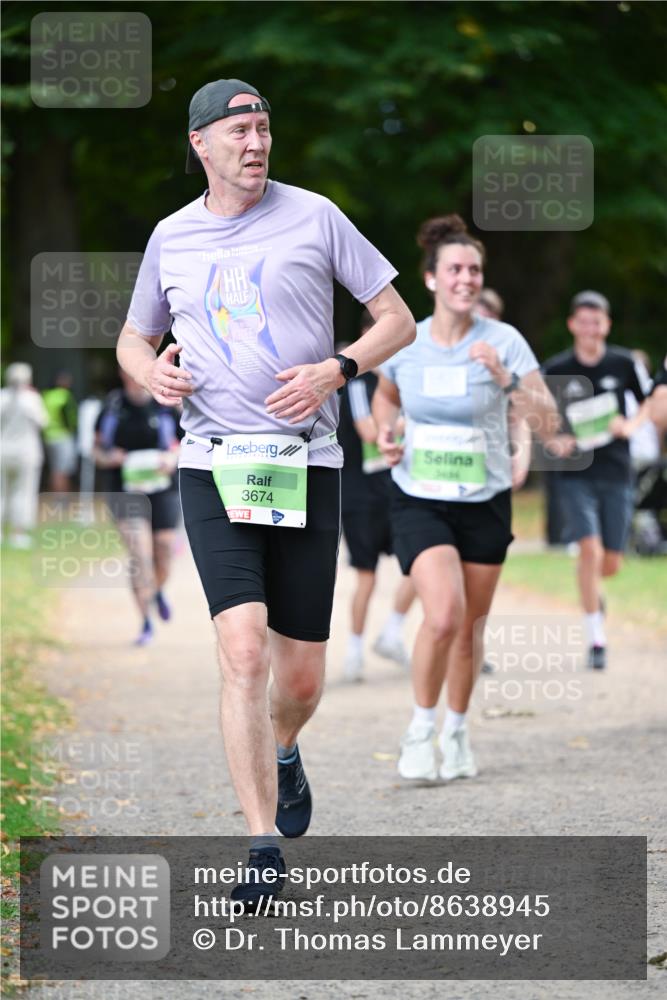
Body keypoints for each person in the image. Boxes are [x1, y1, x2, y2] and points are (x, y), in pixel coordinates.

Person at [116, 79, 415, 904]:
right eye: (240, 130)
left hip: (305, 464)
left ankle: (284, 751)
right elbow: (133, 336)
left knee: (301, 680)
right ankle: (258, 845)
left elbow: (397, 319)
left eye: (265, 128)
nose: (256, 143)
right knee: (241, 650)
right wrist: (152, 374)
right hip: (213, 460)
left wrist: (338, 366)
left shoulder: (315, 215)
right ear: (200, 145)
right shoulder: (170, 238)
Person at [373, 214, 559, 782]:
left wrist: (504, 376)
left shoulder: (504, 342)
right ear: (431, 279)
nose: (466, 278)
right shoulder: (407, 342)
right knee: (444, 613)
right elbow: (386, 397)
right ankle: (420, 728)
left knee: (471, 626)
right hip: (419, 497)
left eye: (474, 269)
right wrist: (386, 433)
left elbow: (548, 422)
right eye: (454, 268)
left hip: (485, 499)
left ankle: (456, 730)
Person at [542, 291, 652, 670]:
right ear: (573, 324)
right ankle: (596, 638)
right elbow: (537, 415)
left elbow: (652, 401)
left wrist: (632, 424)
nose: (590, 329)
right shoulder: (555, 369)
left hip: (616, 471)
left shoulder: (624, 363)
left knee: (610, 563)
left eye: (598, 322)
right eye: (583, 322)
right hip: (575, 473)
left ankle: (595, 594)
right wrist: (553, 440)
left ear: (607, 324)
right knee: (588, 550)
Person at [337, 313, 415, 683]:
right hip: (360, 495)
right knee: (366, 577)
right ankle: (354, 651)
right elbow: (369, 431)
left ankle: (392, 634)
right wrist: (409, 424)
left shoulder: (404, 382)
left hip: (398, 490)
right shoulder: (356, 383)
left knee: (420, 564)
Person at [93, 369, 180, 646]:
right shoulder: (112, 407)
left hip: (162, 489)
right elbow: (96, 451)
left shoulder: (165, 405)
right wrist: (111, 458)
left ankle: (155, 592)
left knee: (163, 551)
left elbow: (185, 444)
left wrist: (171, 459)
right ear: (122, 372)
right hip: (124, 491)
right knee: (140, 554)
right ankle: (145, 622)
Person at [0, 362, 48, 548]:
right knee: (23, 492)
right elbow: (43, 422)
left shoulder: (2, 397)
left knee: (3, 493)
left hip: (3, 451)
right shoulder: (31, 399)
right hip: (26, 453)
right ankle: (18, 533)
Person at [42, 371, 78, 494]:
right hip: (63, 435)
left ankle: (55, 495)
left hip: (49, 436)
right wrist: (72, 428)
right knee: (63, 470)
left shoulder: (47, 395)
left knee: (55, 469)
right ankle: (62, 497)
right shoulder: (64, 395)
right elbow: (68, 416)